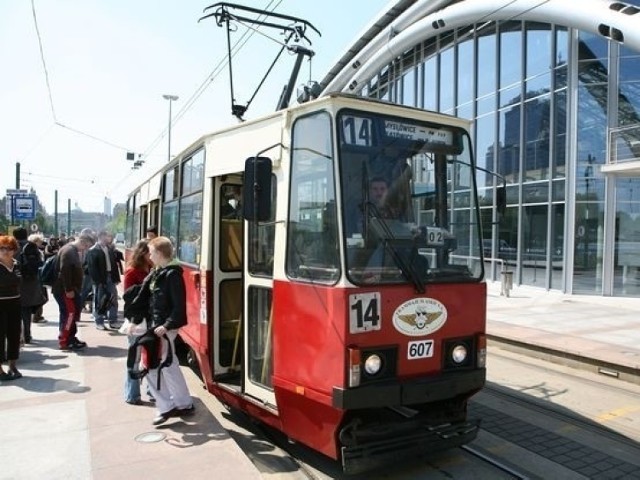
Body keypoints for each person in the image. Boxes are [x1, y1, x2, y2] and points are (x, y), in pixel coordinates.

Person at [146, 236, 194, 425]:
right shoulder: (161, 272)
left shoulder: (171, 275)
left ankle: (166, 406)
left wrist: (166, 325)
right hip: (159, 326)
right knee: (169, 365)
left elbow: (178, 307)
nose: (149, 257)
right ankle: (183, 403)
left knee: (150, 366)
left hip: (163, 328)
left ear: (159, 253)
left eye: (151, 253)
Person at [122, 239, 154, 406]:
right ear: (144, 254)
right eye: (151, 253)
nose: (153, 257)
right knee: (134, 359)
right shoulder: (132, 272)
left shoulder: (151, 268)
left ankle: (151, 390)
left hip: (149, 319)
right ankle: (132, 394)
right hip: (137, 320)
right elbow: (128, 297)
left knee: (149, 357)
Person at [52, 232, 94, 351]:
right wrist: (68, 289)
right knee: (69, 314)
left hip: (69, 289)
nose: (85, 249)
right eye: (86, 246)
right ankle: (64, 341)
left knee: (69, 313)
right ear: (82, 241)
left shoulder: (71, 250)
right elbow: (64, 271)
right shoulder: (69, 251)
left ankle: (70, 337)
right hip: (65, 290)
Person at [12, 228, 46, 344]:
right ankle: (27, 335)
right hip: (30, 283)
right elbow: (40, 263)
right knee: (26, 312)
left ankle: (17, 336)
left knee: (14, 313)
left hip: (15, 283)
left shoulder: (12, 247)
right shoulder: (32, 247)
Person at [86, 230, 121, 330]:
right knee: (99, 300)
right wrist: (98, 282)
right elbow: (92, 268)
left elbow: (113, 265)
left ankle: (113, 320)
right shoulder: (93, 250)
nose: (109, 239)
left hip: (110, 276)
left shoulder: (109, 248)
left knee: (113, 298)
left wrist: (116, 278)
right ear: (101, 237)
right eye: (107, 236)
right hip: (100, 279)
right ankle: (99, 321)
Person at [0, 235, 23, 381]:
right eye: (2, 248)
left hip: (15, 302)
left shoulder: (16, 264)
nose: (5, 251)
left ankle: (12, 365)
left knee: (14, 335)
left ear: (14, 250)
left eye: (8, 248)